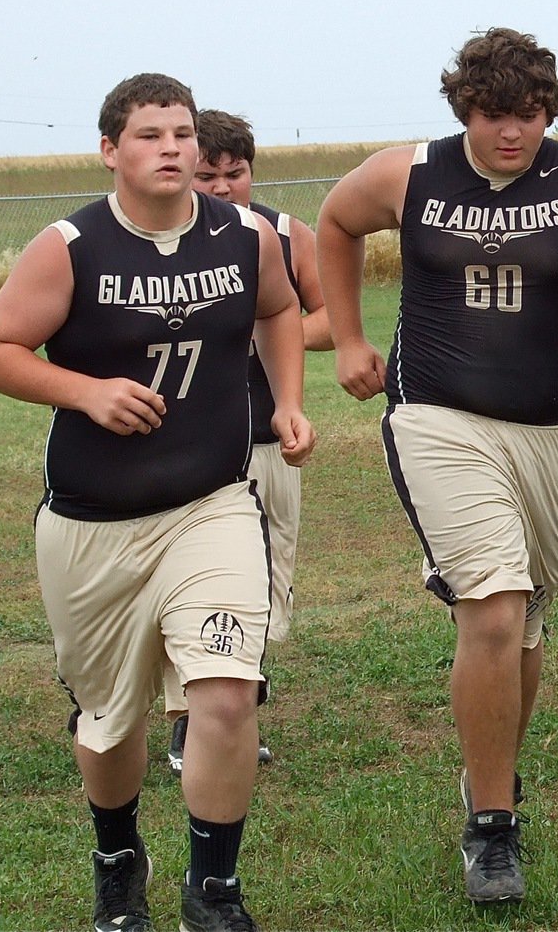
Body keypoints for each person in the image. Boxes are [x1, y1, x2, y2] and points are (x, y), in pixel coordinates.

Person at [315, 27, 558, 905]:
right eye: (492, 114)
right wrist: (351, 338)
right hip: (436, 417)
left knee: (527, 625)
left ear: (551, 109)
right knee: (495, 604)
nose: (512, 132)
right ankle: (493, 832)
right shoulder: (411, 173)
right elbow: (335, 221)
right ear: (462, 109)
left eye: (530, 114)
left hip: (548, 429)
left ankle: (490, 780)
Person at [0, 73, 316, 932]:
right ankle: (118, 852)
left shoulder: (243, 234)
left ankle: (214, 890)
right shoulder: (71, 246)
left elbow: (279, 310)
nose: (171, 147)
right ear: (110, 150)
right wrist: (84, 391)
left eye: (183, 133)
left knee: (227, 693)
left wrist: (290, 400)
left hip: (213, 505)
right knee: (109, 723)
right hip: (93, 523)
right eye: (151, 133)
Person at [163, 108, 333, 777]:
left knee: (264, 580)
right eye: (210, 175)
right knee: (188, 581)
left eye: (236, 174)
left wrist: (268, 337)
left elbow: (319, 315)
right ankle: (186, 725)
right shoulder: (156, 244)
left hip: (266, 435)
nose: (223, 187)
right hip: (182, 444)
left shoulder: (283, 236)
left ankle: (234, 713)